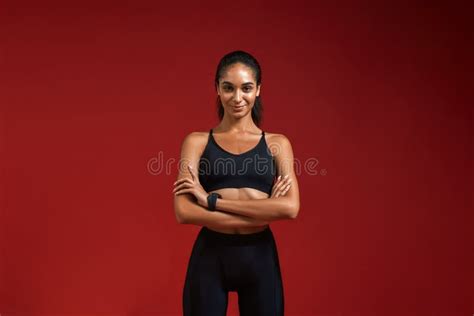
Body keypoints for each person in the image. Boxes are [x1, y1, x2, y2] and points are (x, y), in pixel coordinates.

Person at [173, 50, 300, 316]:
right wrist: (263, 211)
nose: (237, 97)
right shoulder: (196, 142)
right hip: (211, 257)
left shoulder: (277, 144)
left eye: (247, 88)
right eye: (228, 88)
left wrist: (211, 201)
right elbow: (183, 211)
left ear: (258, 90)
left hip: (260, 258)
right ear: (217, 89)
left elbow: (290, 208)